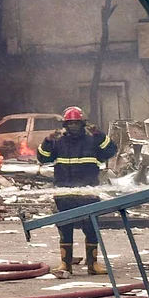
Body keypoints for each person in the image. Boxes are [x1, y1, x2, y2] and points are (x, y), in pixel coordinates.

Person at [37, 106, 118, 276]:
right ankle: (65, 264)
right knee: (65, 228)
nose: (73, 126)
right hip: (64, 193)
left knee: (91, 228)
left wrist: (99, 135)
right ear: (65, 125)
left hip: (88, 193)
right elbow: (42, 157)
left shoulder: (92, 141)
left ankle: (93, 264)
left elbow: (111, 150)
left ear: (83, 124)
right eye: (70, 123)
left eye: (76, 123)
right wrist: (48, 141)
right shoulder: (58, 142)